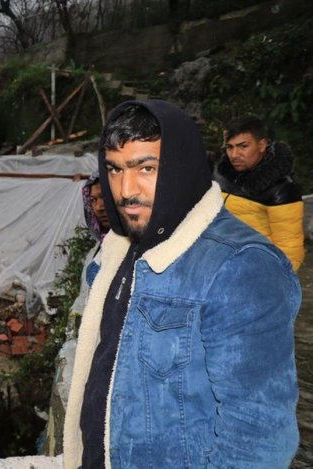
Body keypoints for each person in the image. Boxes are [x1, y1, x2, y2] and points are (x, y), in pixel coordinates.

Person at [63, 100, 300, 468]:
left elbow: (258, 439)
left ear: (182, 167)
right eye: (114, 169)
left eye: (146, 167)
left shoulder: (241, 267)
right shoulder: (120, 249)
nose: (126, 190)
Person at [213, 116, 304, 271]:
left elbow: (290, 252)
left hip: (255, 275)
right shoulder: (221, 176)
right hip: (218, 270)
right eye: (230, 147)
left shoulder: (281, 189)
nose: (234, 154)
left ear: (262, 145)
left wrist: (266, 286)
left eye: (243, 146)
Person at [68, 172, 110, 335]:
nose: (99, 207)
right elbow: (83, 300)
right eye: (93, 200)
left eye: (104, 197)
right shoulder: (96, 251)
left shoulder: (135, 250)